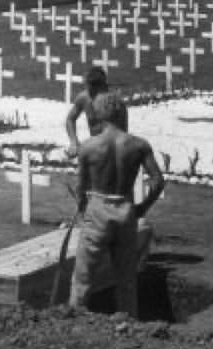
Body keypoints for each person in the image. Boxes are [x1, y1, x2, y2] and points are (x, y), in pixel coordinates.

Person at [69, 92, 164, 318]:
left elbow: (81, 188)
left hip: (98, 207)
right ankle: (128, 323)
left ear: (99, 115)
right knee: (126, 279)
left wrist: (83, 210)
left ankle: (74, 322)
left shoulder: (89, 147)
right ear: (122, 114)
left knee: (83, 278)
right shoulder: (138, 145)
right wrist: (142, 207)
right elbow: (158, 181)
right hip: (125, 209)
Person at [65, 66, 127, 156]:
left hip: (113, 147)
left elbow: (123, 129)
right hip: (95, 145)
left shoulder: (116, 101)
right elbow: (70, 119)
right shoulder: (84, 98)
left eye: (91, 87)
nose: (88, 89)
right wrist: (74, 142)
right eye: (87, 86)